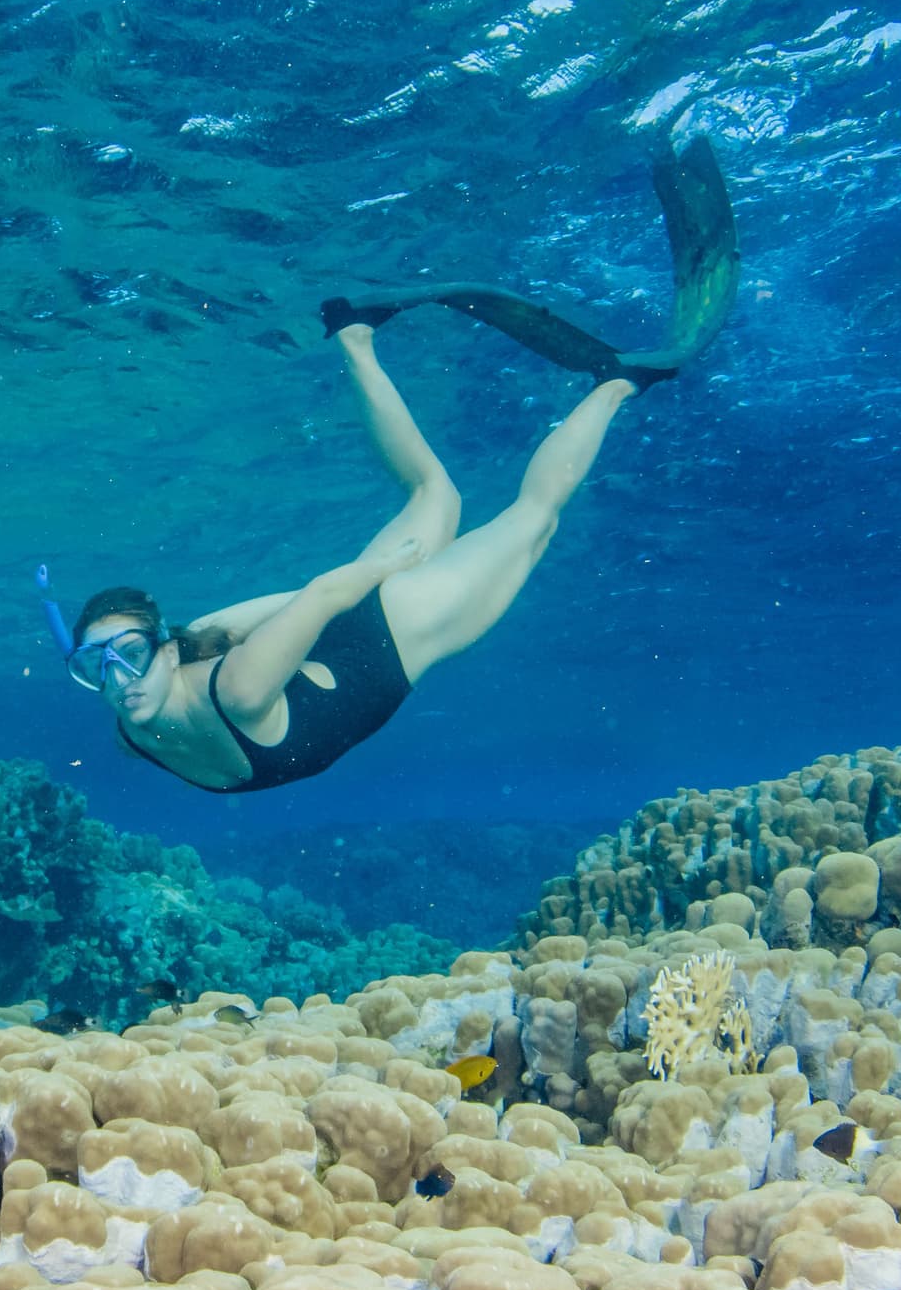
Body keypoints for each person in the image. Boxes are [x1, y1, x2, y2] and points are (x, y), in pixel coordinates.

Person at [52, 136, 735, 796]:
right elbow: (267, 613)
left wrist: (385, 573)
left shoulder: (237, 688)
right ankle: (354, 334)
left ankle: (618, 381)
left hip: (391, 635)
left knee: (533, 521)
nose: (119, 680)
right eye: (96, 666)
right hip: (337, 631)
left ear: (165, 650)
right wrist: (351, 588)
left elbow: (319, 596)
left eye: (131, 655)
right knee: (435, 490)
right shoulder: (131, 729)